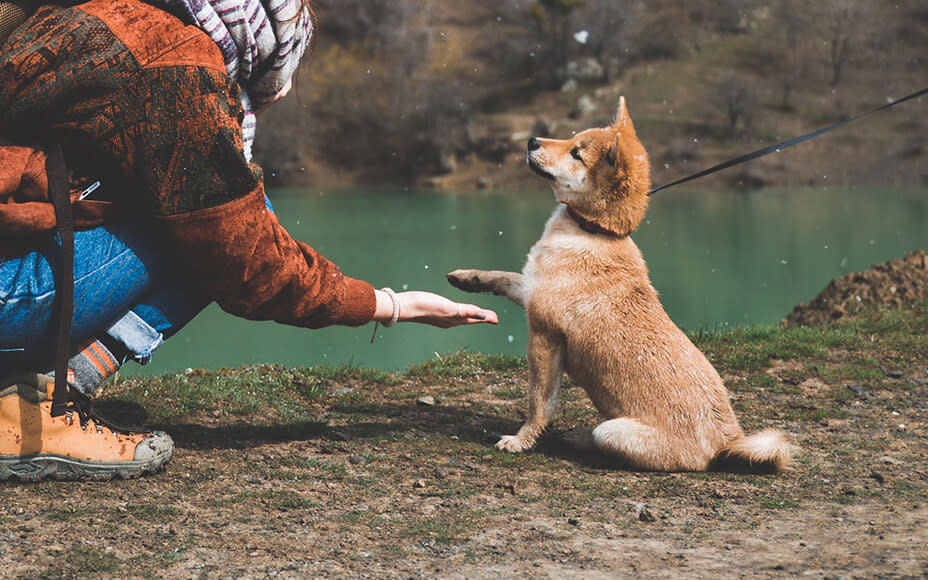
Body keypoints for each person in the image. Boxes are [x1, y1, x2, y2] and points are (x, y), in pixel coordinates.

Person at [0, 0, 498, 481]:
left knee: (196, 209)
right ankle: (48, 402)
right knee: (211, 229)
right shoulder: (174, 61)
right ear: (263, 36)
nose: (277, 89)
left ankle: (32, 388)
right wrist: (388, 305)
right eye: (282, 63)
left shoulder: (99, 15)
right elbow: (246, 258)